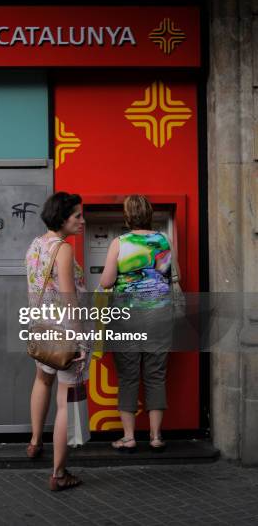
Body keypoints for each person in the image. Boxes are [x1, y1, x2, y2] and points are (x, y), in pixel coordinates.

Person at [25, 191, 90, 490]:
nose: (82, 220)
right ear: (62, 219)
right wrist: (77, 340)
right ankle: (59, 473)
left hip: (42, 330)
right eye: (77, 216)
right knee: (65, 403)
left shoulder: (36, 245)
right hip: (64, 335)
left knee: (42, 381)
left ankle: (35, 441)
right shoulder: (63, 249)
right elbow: (68, 299)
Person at [100, 194, 173, 451]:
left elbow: (107, 281)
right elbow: (171, 276)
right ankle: (155, 437)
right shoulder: (163, 240)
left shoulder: (120, 242)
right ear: (150, 214)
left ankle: (129, 437)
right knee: (156, 376)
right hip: (159, 317)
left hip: (127, 319)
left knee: (128, 377)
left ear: (127, 216)